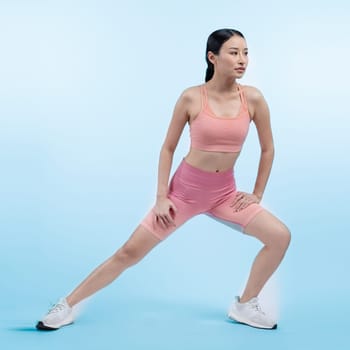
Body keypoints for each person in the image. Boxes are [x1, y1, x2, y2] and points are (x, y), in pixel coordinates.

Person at [36, 28, 291, 331]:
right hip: (183, 194)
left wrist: (258, 193)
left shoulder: (253, 98)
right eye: (233, 52)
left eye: (246, 53)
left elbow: (268, 149)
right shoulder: (191, 97)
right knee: (129, 253)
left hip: (225, 194)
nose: (242, 60)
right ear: (213, 57)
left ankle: (245, 304)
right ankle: (67, 305)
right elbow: (168, 148)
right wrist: (161, 197)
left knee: (280, 236)